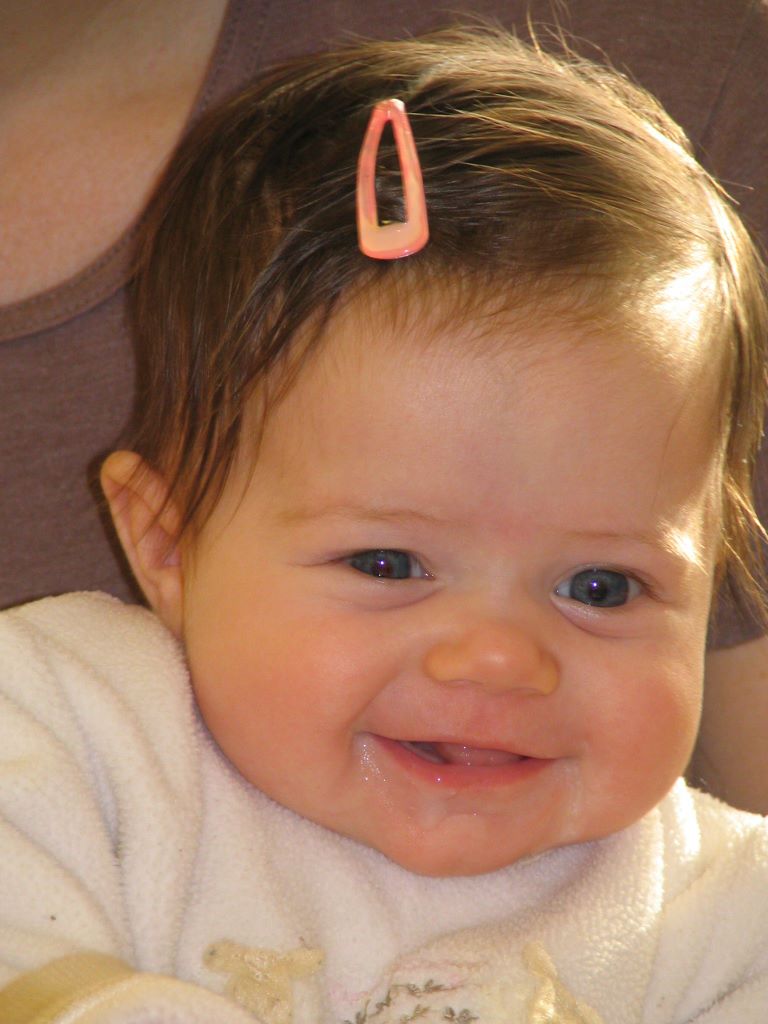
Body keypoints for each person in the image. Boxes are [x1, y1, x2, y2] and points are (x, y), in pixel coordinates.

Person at [2, 27, 768, 1023]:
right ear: (166, 544)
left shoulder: (723, 920)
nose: (497, 660)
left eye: (601, 587)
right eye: (388, 563)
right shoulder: (69, 731)